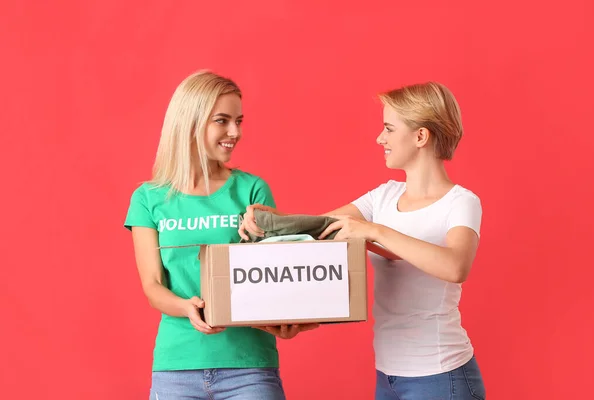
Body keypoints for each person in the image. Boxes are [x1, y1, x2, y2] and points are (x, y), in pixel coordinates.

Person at [239, 82, 487, 399]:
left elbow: (455, 266)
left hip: (442, 376)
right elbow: (318, 228)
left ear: (420, 136)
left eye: (388, 128)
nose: (379, 138)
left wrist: (374, 231)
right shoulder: (383, 196)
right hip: (389, 376)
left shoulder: (460, 202)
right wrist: (269, 220)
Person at [123, 70, 316, 400]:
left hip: (249, 367)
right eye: (222, 121)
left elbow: (276, 278)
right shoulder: (148, 198)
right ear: (191, 122)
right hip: (177, 366)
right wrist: (187, 308)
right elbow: (153, 286)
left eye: (239, 121)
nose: (235, 132)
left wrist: (287, 319)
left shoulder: (252, 189)